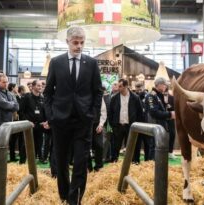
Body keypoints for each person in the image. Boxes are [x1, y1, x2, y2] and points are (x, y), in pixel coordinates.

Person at [43, 26, 103, 205]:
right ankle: (63, 196)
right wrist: (51, 115)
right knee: (61, 162)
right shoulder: (56, 62)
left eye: (82, 42)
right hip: (60, 120)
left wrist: (93, 115)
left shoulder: (91, 63)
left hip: (83, 121)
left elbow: (97, 92)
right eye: (75, 42)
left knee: (80, 162)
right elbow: (47, 93)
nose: (79, 46)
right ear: (68, 41)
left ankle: (75, 199)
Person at [108, 79, 144, 163]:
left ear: (126, 86)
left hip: (131, 126)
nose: (118, 88)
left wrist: (137, 126)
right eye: (117, 86)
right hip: (118, 126)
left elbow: (140, 113)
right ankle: (114, 161)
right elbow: (110, 113)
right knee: (115, 146)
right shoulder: (114, 98)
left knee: (132, 146)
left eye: (120, 86)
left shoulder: (135, 97)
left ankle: (134, 162)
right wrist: (113, 125)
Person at [0, 74, 19, 159]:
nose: (6, 84)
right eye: (3, 82)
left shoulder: (9, 94)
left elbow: (17, 107)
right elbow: (5, 105)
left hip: (7, 123)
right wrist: (11, 104)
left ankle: (2, 166)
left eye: (6, 82)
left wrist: (10, 104)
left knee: (5, 146)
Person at [146, 77, 176, 160]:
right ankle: (151, 165)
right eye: (164, 85)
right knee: (154, 146)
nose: (165, 87)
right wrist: (170, 114)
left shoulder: (159, 96)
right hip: (155, 125)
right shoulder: (151, 96)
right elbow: (154, 113)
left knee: (159, 147)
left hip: (160, 125)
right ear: (159, 85)